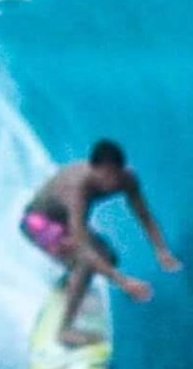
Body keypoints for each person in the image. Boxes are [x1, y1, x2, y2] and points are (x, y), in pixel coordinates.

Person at [21, 139, 182, 347]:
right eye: (105, 175)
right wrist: (124, 282)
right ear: (93, 168)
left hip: (66, 221)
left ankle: (71, 283)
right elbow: (83, 248)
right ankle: (65, 331)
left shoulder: (127, 178)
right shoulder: (77, 188)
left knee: (109, 257)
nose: (111, 182)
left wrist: (161, 250)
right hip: (38, 223)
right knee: (87, 262)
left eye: (115, 174)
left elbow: (144, 215)